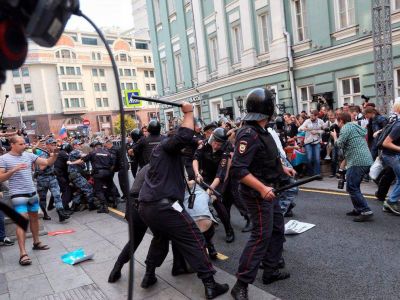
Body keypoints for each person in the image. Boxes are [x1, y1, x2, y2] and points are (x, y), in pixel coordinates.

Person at [138, 102, 229, 299]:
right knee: (194, 237)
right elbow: (185, 134)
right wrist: (188, 112)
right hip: (165, 206)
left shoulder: (162, 155)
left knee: (160, 238)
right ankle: (210, 283)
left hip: (148, 207)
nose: (189, 147)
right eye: (185, 145)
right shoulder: (167, 146)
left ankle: (149, 274)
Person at [230, 88, 295, 300]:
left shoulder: (263, 131)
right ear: (268, 108)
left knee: (277, 229)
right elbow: (239, 169)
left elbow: (267, 158)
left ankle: (271, 270)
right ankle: (241, 284)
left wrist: (282, 169)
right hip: (257, 193)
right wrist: (262, 188)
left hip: (269, 188)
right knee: (260, 237)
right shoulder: (248, 133)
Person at [0, 136, 59, 266]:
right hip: (18, 194)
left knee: (34, 219)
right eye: (21, 144)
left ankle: (36, 242)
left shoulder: (29, 155)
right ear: (12, 144)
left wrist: (54, 155)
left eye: (24, 143)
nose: (24, 146)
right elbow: (0, 178)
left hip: (32, 193)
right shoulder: (3, 159)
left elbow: (47, 162)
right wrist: (13, 170)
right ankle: (23, 254)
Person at [331, 112, 374, 221]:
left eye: (337, 121)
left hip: (357, 161)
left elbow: (339, 144)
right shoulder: (355, 126)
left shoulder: (346, 128)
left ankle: (365, 210)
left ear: (341, 120)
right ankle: (358, 209)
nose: (337, 123)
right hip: (364, 160)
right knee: (354, 186)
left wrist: (335, 137)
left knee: (352, 186)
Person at [35, 138, 70, 222]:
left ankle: (61, 214)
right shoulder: (43, 154)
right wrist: (50, 158)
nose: (54, 146)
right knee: (43, 198)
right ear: (47, 145)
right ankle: (45, 214)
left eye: (54, 145)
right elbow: (41, 167)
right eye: (52, 144)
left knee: (57, 195)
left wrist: (54, 156)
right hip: (42, 178)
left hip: (52, 177)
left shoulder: (54, 153)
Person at [67, 140, 98, 211]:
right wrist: (95, 152)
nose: (80, 145)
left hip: (75, 174)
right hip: (76, 174)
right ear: (74, 146)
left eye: (80, 144)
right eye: (78, 144)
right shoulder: (75, 151)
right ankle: (91, 205)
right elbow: (85, 156)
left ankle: (74, 207)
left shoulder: (74, 152)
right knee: (89, 188)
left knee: (81, 190)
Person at [381, 102, 400, 215]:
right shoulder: (399, 125)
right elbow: (386, 143)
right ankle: (391, 201)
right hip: (391, 155)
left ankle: (390, 202)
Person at [298, 110, 326, 177]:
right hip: (308, 142)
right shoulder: (307, 121)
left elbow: (324, 130)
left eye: (313, 116)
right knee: (309, 158)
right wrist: (304, 128)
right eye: (310, 115)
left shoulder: (321, 121)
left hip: (316, 141)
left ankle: (318, 174)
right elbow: (299, 129)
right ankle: (311, 174)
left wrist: (317, 132)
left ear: (316, 116)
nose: (311, 117)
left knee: (317, 159)